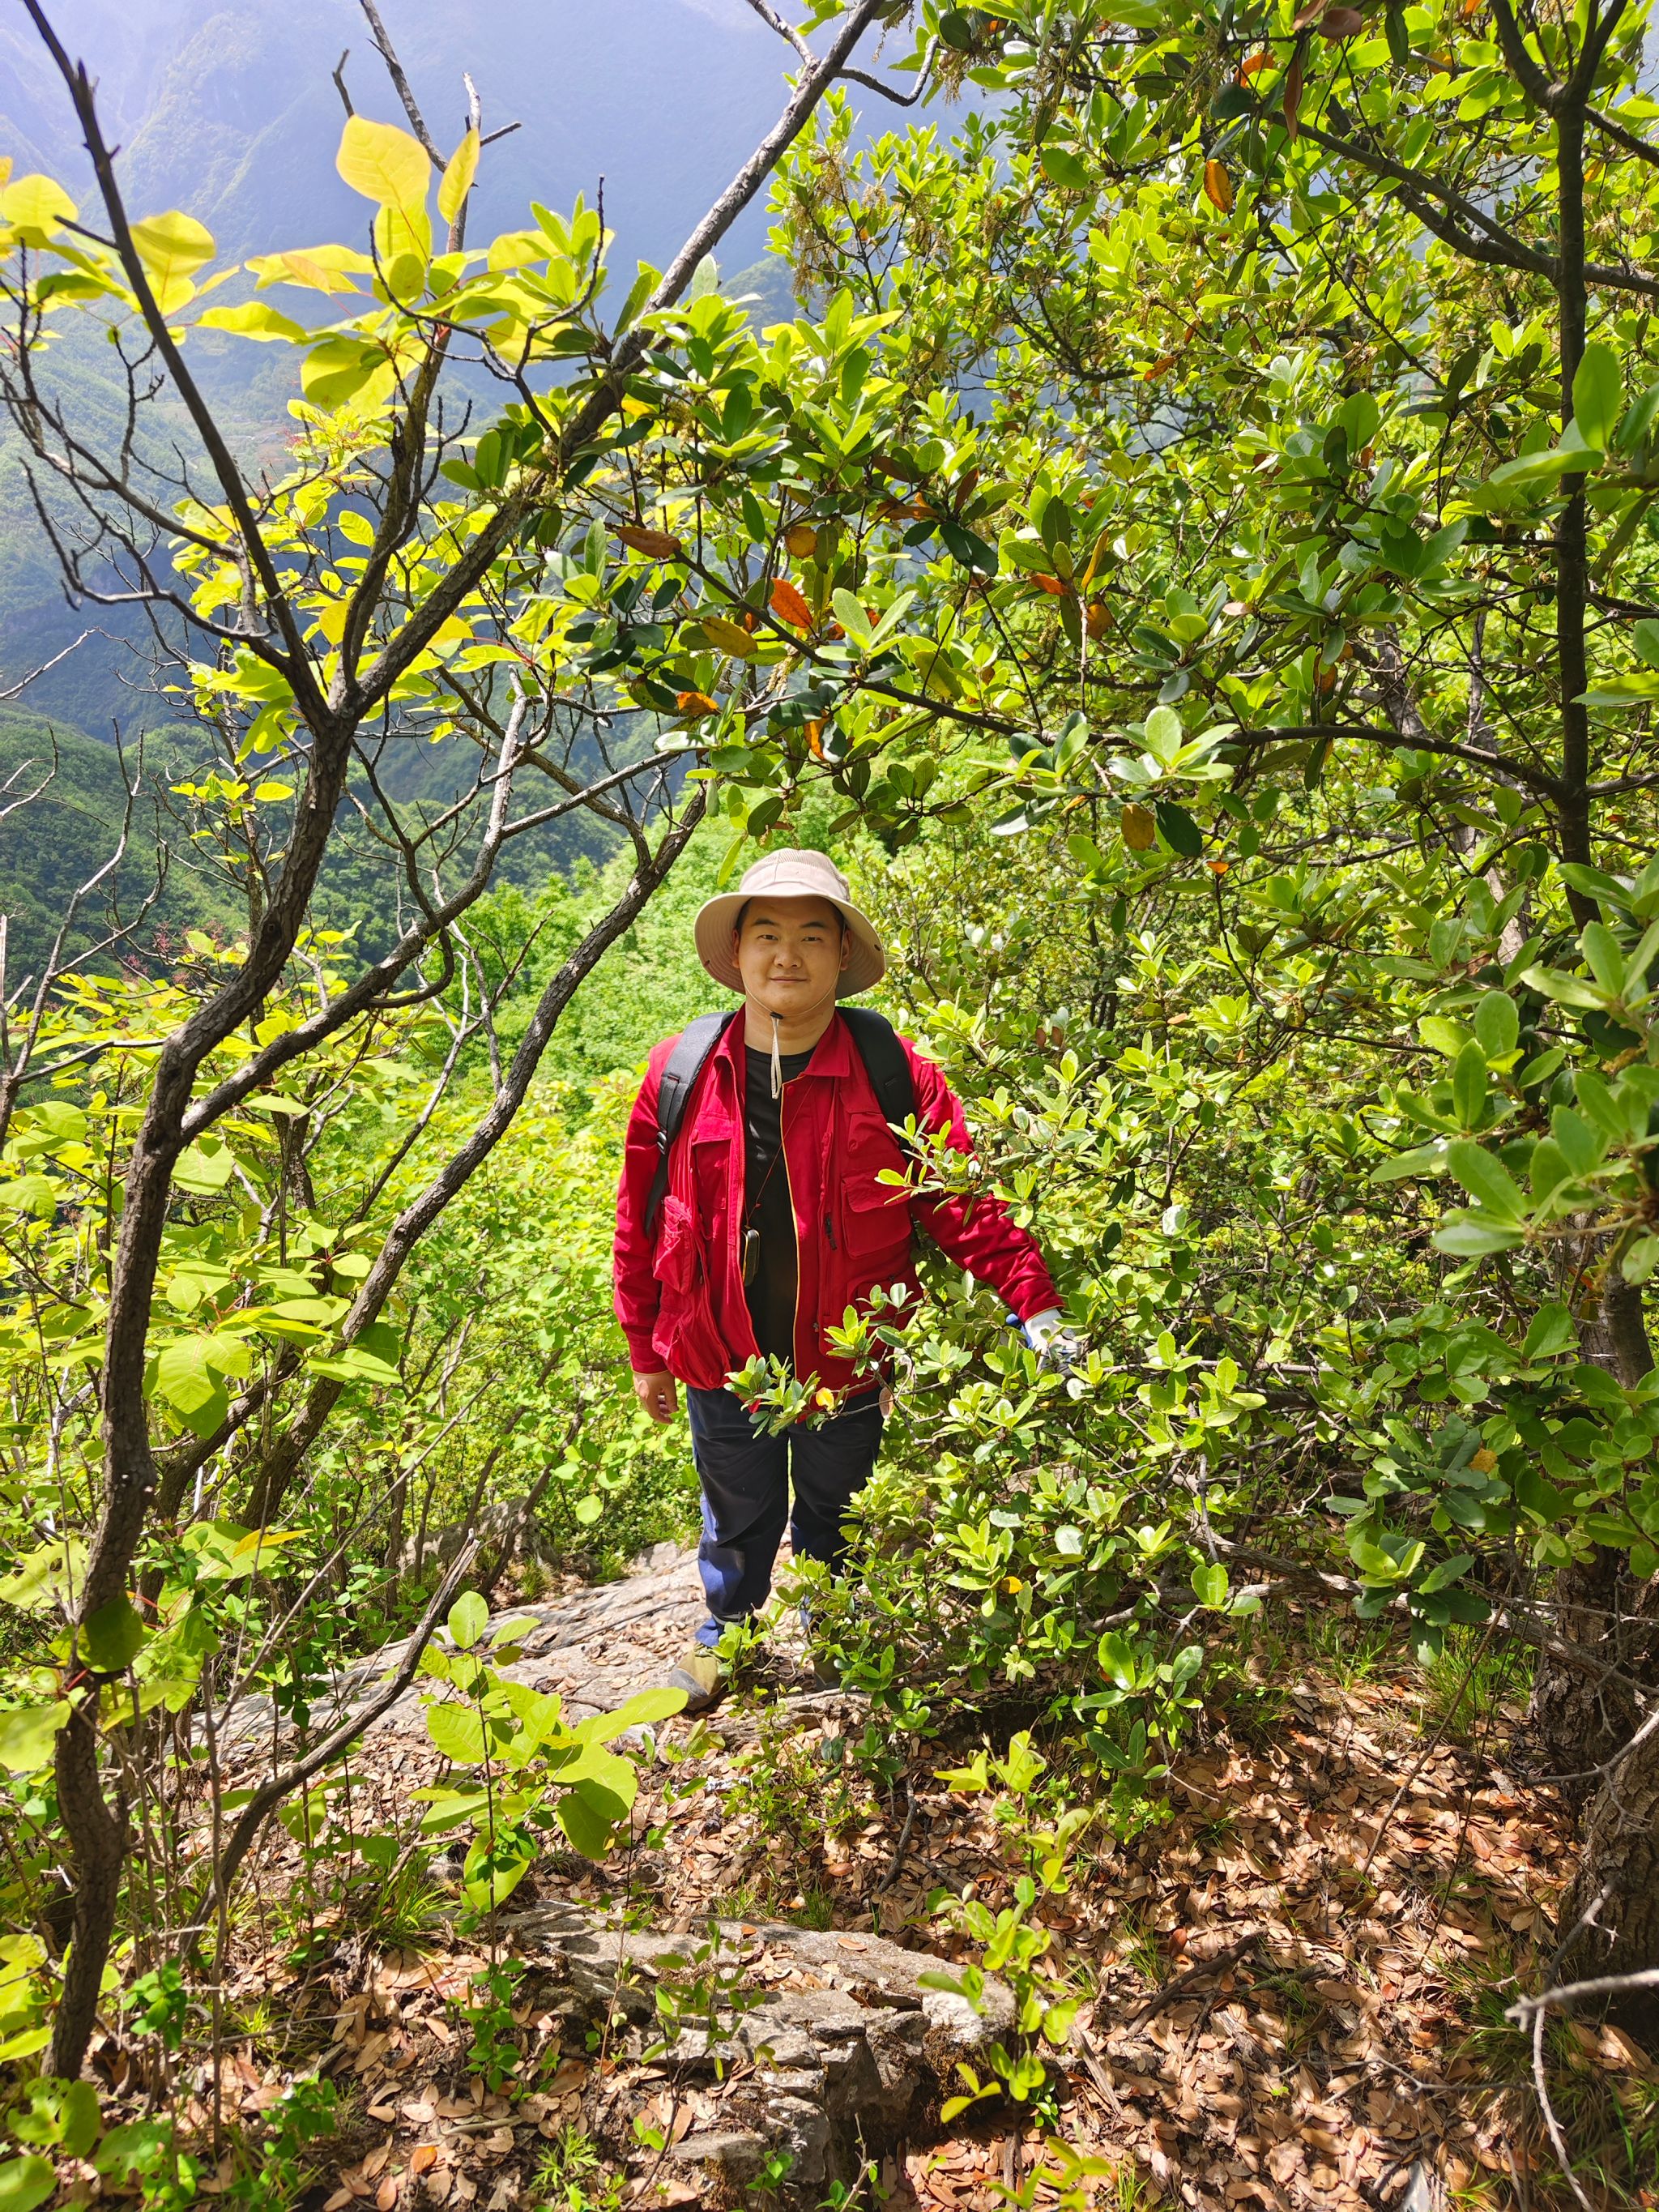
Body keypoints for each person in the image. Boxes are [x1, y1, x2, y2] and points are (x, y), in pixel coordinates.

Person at [612, 849, 1073, 1709]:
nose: (787, 955)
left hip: (848, 1363)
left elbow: (961, 1206)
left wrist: (1035, 1305)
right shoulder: (680, 1071)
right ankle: (729, 1636)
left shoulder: (894, 1073)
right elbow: (640, 1223)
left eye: (811, 936)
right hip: (720, 1358)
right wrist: (645, 1349)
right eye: (767, 934)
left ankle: (837, 1637)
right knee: (735, 1514)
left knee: (838, 1512)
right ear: (738, 951)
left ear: (842, 955)